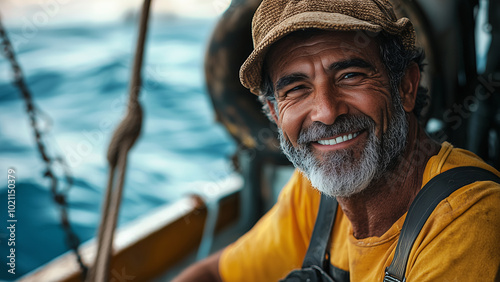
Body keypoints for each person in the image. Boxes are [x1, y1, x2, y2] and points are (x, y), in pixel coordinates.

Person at [173, 0, 500, 281]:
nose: (326, 112)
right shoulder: (313, 195)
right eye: (296, 89)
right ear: (274, 114)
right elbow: (217, 275)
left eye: (350, 76)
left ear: (406, 87)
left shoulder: (466, 219)